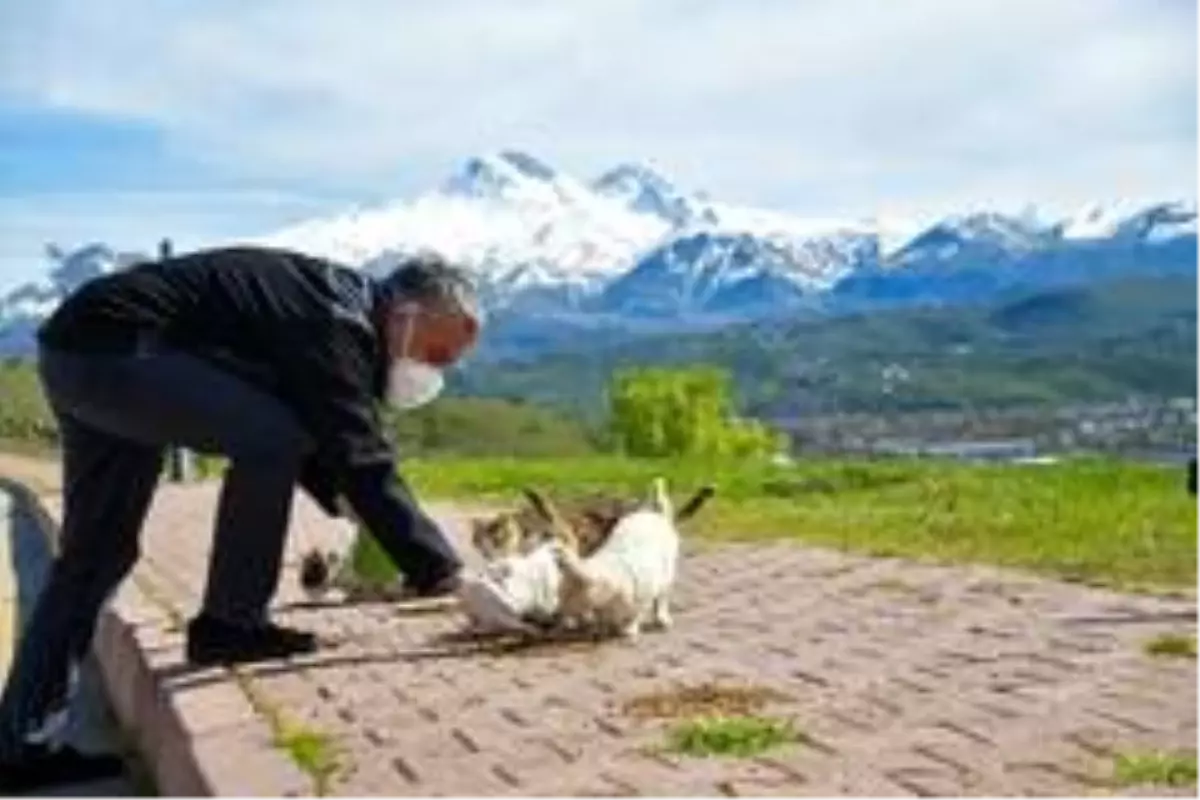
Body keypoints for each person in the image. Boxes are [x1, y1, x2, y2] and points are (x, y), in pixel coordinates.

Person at [0, 245, 492, 790]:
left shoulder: (337, 307)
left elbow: (326, 433)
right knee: (271, 438)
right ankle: (230, 624)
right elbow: (353, 449)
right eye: (438, 354)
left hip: (81, 353)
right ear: (407, 316)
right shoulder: (334, 319)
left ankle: (18, 745)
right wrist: (443, 574)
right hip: (122, 352)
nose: (436, 371)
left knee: (95, 557)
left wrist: (351, 502)